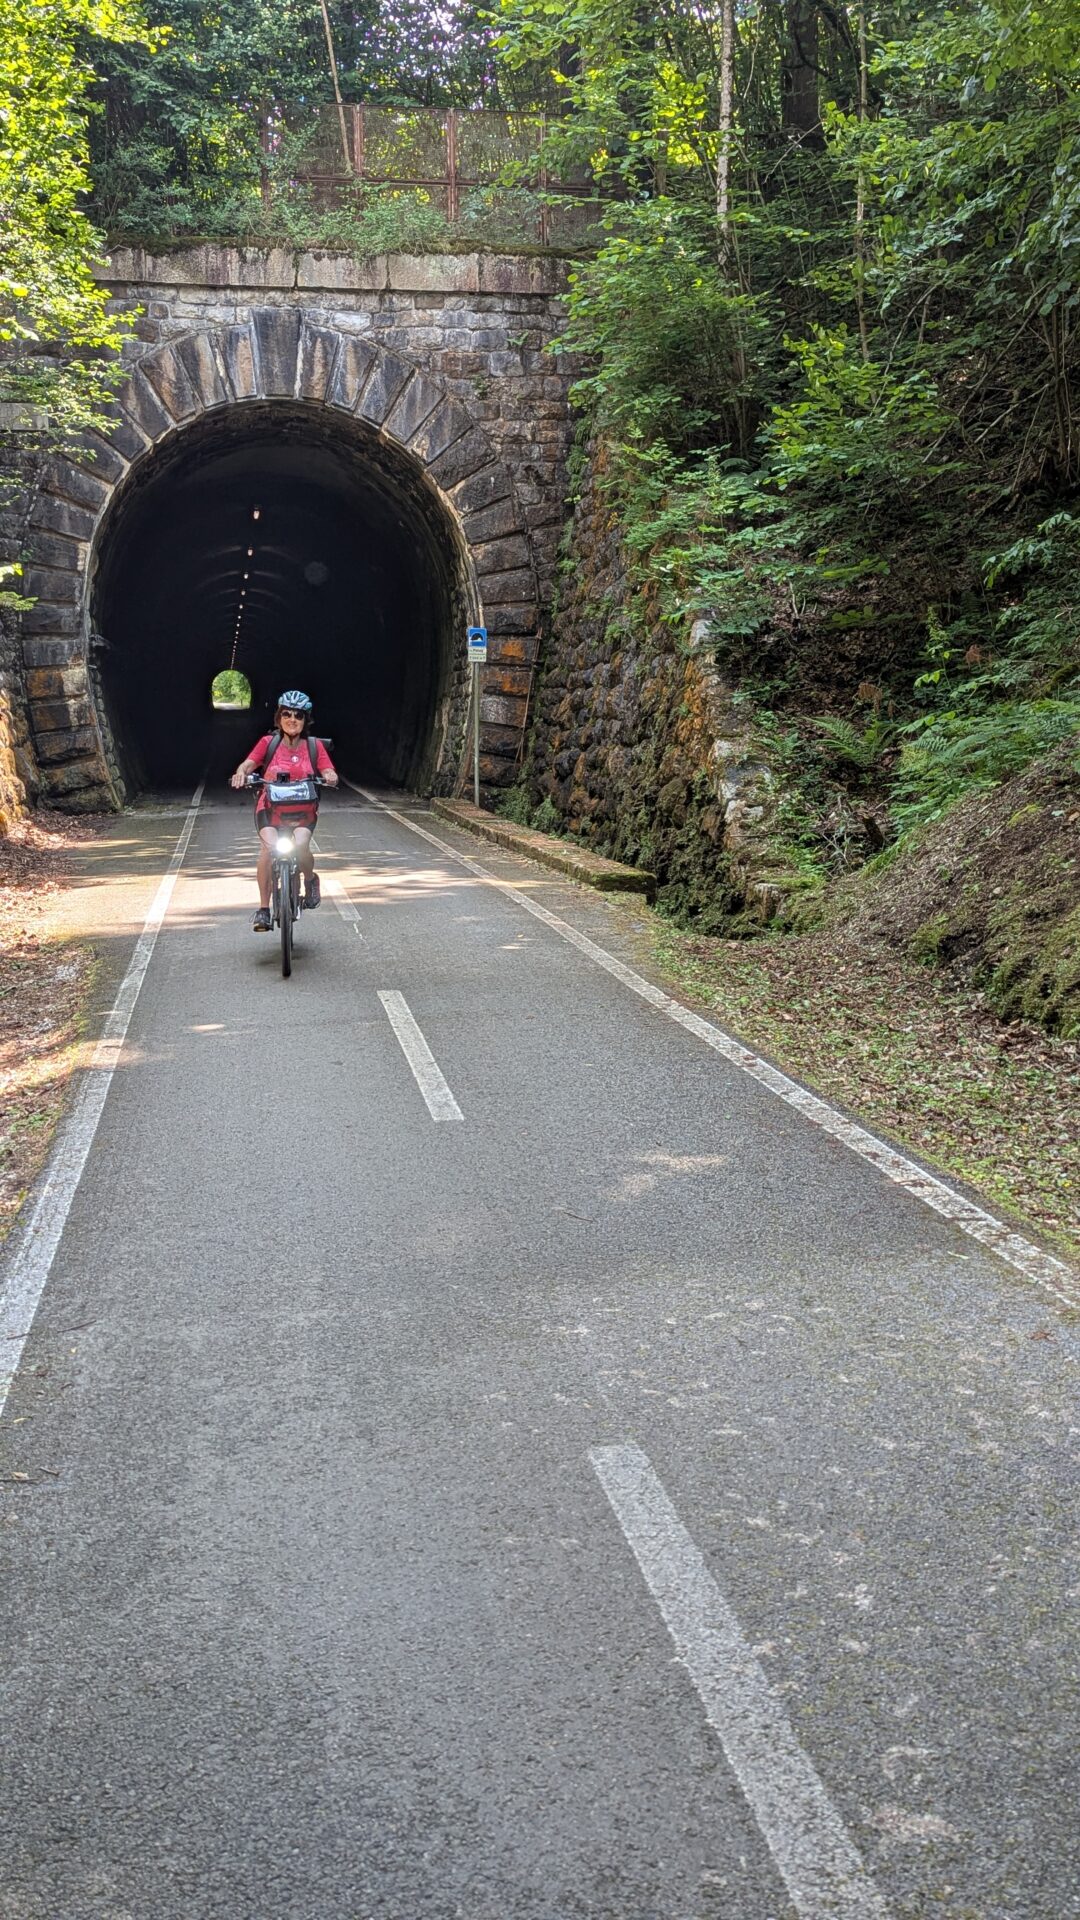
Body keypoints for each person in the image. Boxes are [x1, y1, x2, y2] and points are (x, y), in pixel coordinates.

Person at [230, 691, 339, 931]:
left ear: (305, 720)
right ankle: (263, 910)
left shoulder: (314, 746)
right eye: (286, 714)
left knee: (301, 845)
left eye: (298, 716)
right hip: (270, 809)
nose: (292, 719)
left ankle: (310, 879)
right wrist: (241, 773)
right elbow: (248, 764)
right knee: (268, 850)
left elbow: (327, 769)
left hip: (303, 811)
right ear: (279, 718)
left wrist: (330, 776)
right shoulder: (268, 744)